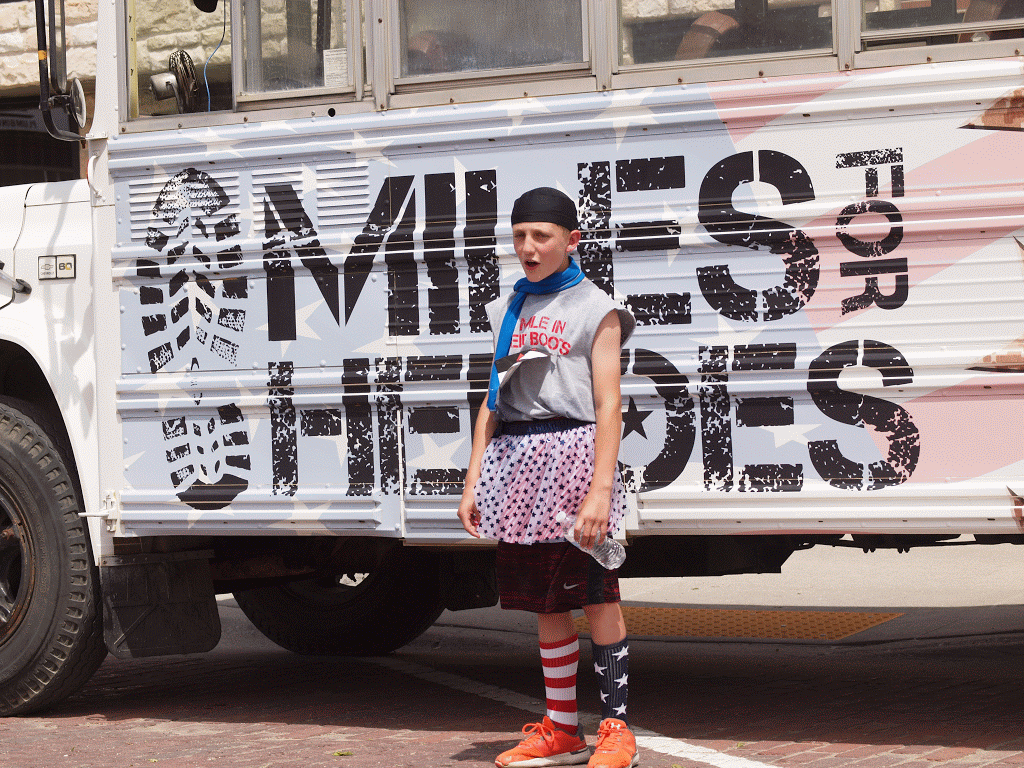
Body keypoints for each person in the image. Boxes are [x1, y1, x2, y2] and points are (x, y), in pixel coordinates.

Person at [457, 187, 639, 768]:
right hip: (521, 464)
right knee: (545, 602)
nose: (528, 248)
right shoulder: (507, 309)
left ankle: (617, 729)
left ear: (571, 241)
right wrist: (473, 479)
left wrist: (600, 492)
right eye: (519, 236)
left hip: (577, 461)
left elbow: (608, 404)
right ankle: (562, 729)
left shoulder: (596, 309)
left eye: (541, 236)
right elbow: (494, 399)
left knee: (597, 596)